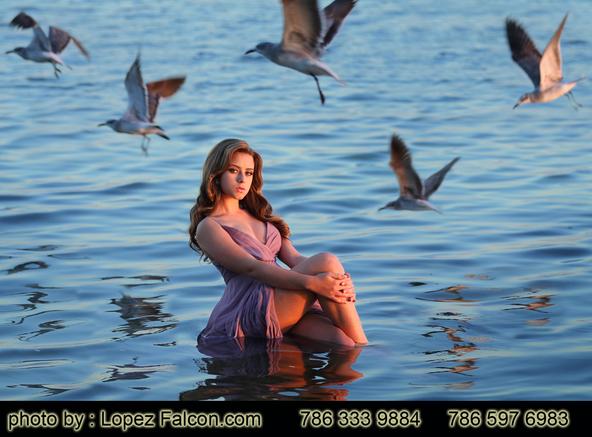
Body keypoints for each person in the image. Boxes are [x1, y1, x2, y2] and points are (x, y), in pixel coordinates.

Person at [189, 138, 368, 347]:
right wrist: (314, 283)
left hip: (284, 294)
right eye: (233, 170)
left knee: (343, 343)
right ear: (216, 174)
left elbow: (295, 259)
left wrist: (340, 281)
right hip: (250, 305)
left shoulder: (260, 216)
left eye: (248, 173)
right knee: (327, 260)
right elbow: (252, 268)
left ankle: (356, 358)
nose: (242, 179)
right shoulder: (209, 227)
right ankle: (367, 346)